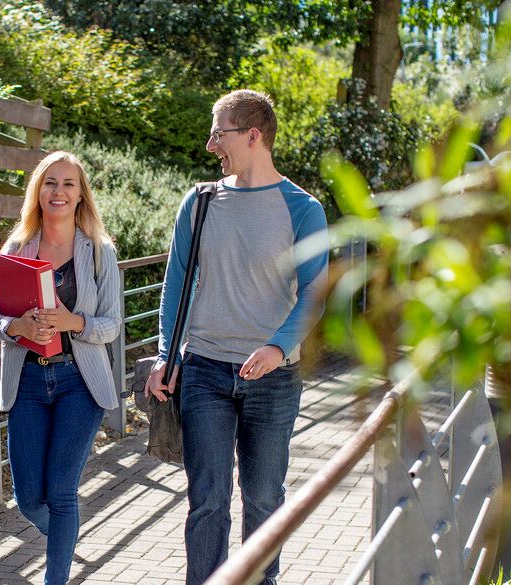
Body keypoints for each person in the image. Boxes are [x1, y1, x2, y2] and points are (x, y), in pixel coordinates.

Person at [145, 90, 329, 585]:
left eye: (218, 133)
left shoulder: (303, 209)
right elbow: (177, 281)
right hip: (204, 369)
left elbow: (316, 290)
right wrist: (167, 353)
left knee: (264, 498)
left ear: (252, 136)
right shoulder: (201, 202)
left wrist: (277, 346)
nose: (210, 145)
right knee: (207, 499)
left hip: (274, 379)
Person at [0, 150, 122, 585]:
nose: (58, 192)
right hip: (28, 384)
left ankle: (55, 575)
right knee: (28, 500)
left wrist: (73, 321)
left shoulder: (99, 252)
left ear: (81, 196)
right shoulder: (17, 248)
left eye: (68, 184)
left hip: (79, 382)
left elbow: (113, 324)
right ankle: (66, 535)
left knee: (61, 493)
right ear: (38, 191)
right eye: (50, 183)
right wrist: (16, 325)